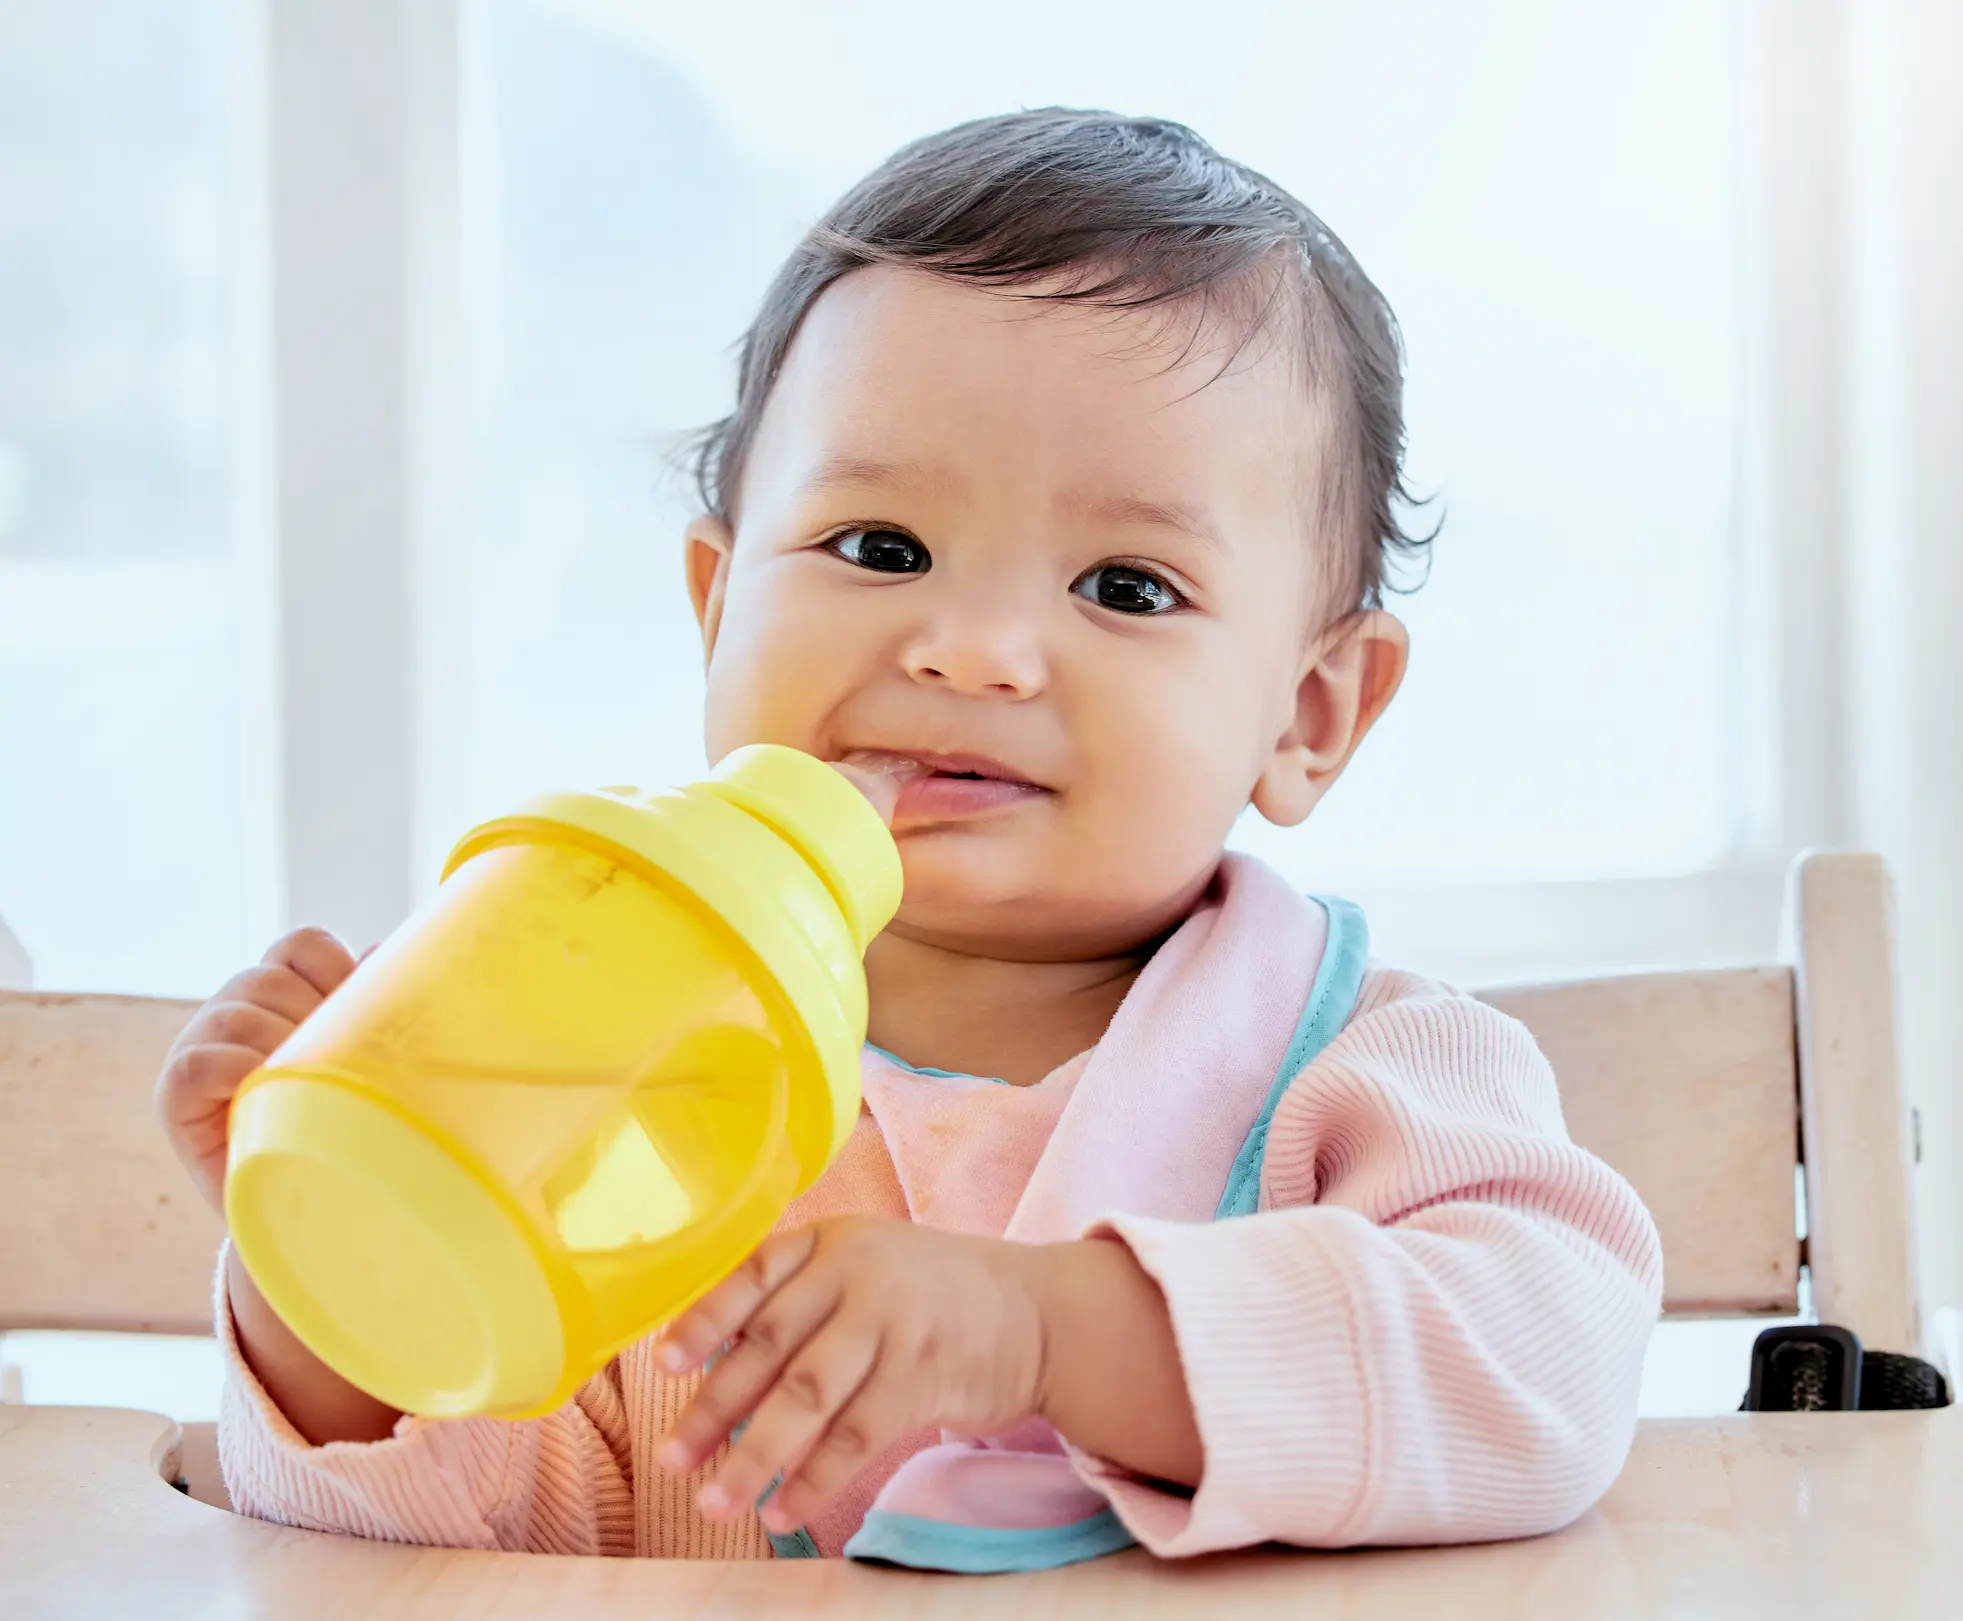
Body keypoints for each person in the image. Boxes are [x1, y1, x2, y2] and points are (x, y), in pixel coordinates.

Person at [157, 108, 1661, 1568]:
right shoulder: (590, 1067)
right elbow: (498, 1551)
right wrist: (338, 1277)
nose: (975, 650)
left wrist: (1044, 1330)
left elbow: (1537, 1372)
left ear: (1310, 713)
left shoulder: (1367, 1070)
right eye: (880, 550)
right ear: (715, 605)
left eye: (1125, 586)